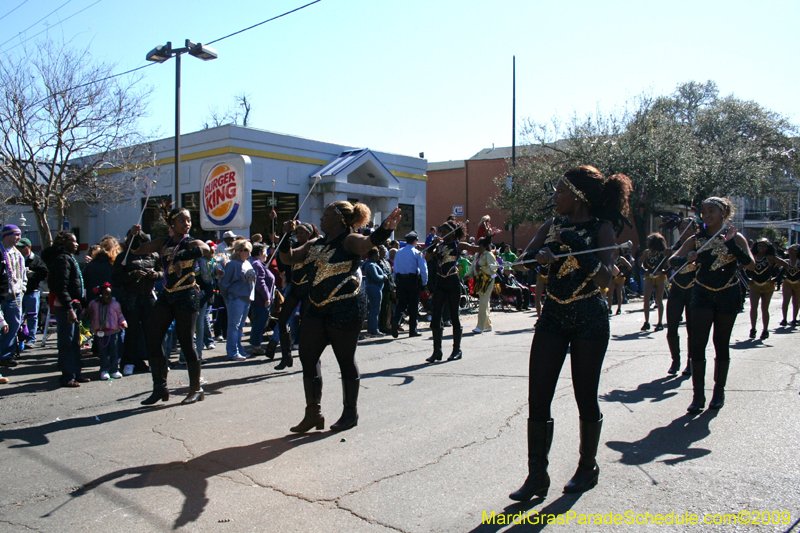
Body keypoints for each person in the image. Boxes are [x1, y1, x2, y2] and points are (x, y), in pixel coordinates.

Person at [510, 166, 631, 501]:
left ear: (578, 196)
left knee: (585, 396)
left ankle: (587, 466)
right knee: (538, 397)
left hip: (589, 319)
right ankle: (537, 476)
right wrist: (539, 257)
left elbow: (606, 279)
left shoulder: (601, 229)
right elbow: (522, 262)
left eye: (560, 191)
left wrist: (576, 246)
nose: (554, 197)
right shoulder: (551, 226)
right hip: (553, 316)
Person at [279, 201, 402, 433]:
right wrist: (286, 237)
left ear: (337, 218)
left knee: (345, 360)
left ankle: (350, 413)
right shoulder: (316, 243)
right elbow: (288, 259)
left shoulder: (349, 239)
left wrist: (385, 229)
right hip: (316, 307)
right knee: (307, 356)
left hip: (346, 308)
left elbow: (367, 243)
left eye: (325, 215)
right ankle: (313, 413)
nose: (321, 219)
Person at [670, 197, 754, 413]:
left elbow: (750, 264)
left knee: (721, 342)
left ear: (723, 213)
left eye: (712, 211)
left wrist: (732, 244)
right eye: (704, 211)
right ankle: (698, 395)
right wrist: (689, 258)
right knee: (697, 343)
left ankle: (719, 391)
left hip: (728, 293)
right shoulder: (697, 239)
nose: (707, 215)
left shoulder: (735, 237)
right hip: (701, 293)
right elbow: (673, 261)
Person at [130, 208, 210, 405]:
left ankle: (196, 389)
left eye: (189, 220)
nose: (187, 223)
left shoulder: (191, 242)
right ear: (172, 224)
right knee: (153, 335)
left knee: (186, 341)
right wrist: (134, 235)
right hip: (167, 294)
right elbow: (136, 250)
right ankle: (160, 388)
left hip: (187, 294)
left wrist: (183, 255)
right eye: (182, 220)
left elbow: (207, 250)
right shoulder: (162, 242)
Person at [425, 221, 480, 362]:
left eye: (444, 231)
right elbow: (427, 257)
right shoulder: (440, 245)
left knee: (454, 315)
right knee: (436, 314)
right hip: (440, 282)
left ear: (453, 232)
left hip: (453, 281)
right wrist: (433, 245)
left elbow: (477, 248)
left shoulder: (458, 245)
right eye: (441, 230)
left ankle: (457, 350)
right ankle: (437, 351)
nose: (442, 233)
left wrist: (487, 237)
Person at [112, 229, 162, 376]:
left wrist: (155, 274)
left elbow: (162, 272)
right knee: (131, 331)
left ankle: (154, 361)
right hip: (131, 297)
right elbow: (115, 277)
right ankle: (129, 362)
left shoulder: (153, 256)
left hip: (148, 296)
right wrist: (132, 275)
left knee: (151, 331)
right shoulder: (124, 256)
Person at [41, 231, 88, 387]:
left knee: (74, 341)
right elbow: (61, 287)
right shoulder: (62, 260)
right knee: (66, 342)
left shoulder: (69, 258)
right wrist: (69, 308)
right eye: (73, 241)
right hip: (65, 307)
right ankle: (68, 376)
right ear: (64, 243)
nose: (76, 244)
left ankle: (76, 373)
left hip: (72, 305)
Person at [274, 222, 319, 370]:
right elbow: (283, 255)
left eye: (302, 233)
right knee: (282, 320)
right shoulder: (293, 246)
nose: (299, 235)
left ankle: (311, 359)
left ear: (309, 234)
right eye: (297, 233)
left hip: (309, 289)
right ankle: (286, 356)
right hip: (294, 287)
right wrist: (285, 233)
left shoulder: (316, 245)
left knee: (306, 325)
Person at [665, 218, 696, 375]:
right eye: (681, 228)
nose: (684, 231)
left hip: (693, 290)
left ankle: (690, 362)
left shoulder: (699, 244)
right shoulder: (676, 247)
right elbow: (672, 262)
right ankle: (675, 360)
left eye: (688, 228)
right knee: (671, 328)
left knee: (692, 330)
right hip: (677, 289)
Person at [219, 239, 256, 361]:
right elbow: (224, 283)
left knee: (239, 327)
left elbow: (252, 280)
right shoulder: (232, 264)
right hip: (235, 298)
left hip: (246, 298)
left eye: (249, 250)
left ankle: (239, 349)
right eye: (245, 250)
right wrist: (226, 296)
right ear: (238, 251)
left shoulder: (248, 263)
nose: (248, 252)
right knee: (234, 326)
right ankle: (232, 352)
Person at [84, 282, 127, 380]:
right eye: (106, 294)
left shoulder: (115, 304)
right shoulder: (94, 304)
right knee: (103, 352)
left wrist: (123, 322)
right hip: (101, 332)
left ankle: (114, 369)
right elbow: (88, 314)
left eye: (110, 294)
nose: (109, 296)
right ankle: (104, 369)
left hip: (113, 332)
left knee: (114, 352)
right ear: (99, 295)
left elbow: (120, 315)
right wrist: (86, 314)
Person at [745, 238, 786, 339]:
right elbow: (740, 267)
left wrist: (777, 278)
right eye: (759, 245)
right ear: (756, 247)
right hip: (754, 285)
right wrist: (747, 279)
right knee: (753, 307)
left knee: (764, 308)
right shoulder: (752, 257)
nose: (761, 248)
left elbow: (786, 265)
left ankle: (765, 330)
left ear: (768, 248)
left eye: (764, 246)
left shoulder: (770, 258)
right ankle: (753, 328)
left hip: (768, 285)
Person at [391, 231, 427, 338]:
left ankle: (395, 321)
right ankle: (412, 330)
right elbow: (423, 269)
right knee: (413, 306)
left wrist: (395, 280)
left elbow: (395, 268)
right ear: (415, 241)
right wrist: (424, 282)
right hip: (413, 281)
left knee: (401, 304)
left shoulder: (399, 252)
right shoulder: (417, 253)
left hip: (401, 281)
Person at [0, 225, 26, 367]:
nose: (19, 238)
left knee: (14, 324)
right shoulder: (1, 252)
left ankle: (6, 355)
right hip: (1, 295)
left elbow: (22, 275)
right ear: (7, 235)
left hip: (15, 296)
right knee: (1, 325)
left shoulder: (18, 254)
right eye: (16, 235)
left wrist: (22, 288)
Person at [17, 238, 47, 348]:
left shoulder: (36, 260)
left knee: (32, 315)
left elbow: (44, 273)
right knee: (18, 316)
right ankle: (18, 338)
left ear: (28, 247)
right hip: (19, 291)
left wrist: (33, 274)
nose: (19, 249)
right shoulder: (16, 258)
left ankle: (31, 338)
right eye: (18, 247)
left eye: (21, 247)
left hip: (32, 290)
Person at [248, 242, 275, 357]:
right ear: (259, 253)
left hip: (260, 299)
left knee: (258, 322)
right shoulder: (257, 264)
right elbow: (260, 283)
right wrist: (267, 297)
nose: (266, 255)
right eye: (265, 253)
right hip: (261, 300)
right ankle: (256, 346)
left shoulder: (256, 263)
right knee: (259, 323)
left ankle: (256, 345)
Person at [639, 233, 670, 332]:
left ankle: (660, 322)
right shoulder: (646, 252)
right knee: (646, 299)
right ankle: (646, 321)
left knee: (659, 299)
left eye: (649, 240)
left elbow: (669, 264)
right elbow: (640, 263)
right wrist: (645, 271)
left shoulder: (663, 253)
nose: (647, 242)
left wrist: (664, 271)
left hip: (660, 277)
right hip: (649, 277)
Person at [472, 237, 499, 333]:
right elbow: (473, 267)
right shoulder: (477, 255)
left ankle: (480, 326)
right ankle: (488, 324)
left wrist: (483, 268)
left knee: (483, 303)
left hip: (487, 281)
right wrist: (466, 276)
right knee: (484, 303)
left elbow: (494, 269)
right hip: (479, 280)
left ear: (483, 246)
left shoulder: (489, 254)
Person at [362, 248, 386, 336]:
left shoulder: (370, 264)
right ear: (373, 255)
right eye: (377, 254)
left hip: (372, 287)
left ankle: (371, 328)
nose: (378, 256)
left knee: (372, 309)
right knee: (375, 309)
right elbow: (376, 277)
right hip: (374, 288)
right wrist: (384, 276)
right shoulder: (371, 265)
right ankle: (374, 329)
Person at [606, 248, 631, 316]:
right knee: (610, 293)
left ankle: (619, 308)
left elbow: (629, 266)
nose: (615, 251)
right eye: (614, 250)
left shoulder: (621, 259)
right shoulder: (610, 258)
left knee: (619, 292)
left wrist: (623, 274)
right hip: (612, 278)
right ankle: (609, 308)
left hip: (620, 277)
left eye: (617, 250)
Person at [780, 244, 800, 326]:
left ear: (797, 251)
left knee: (796, 302)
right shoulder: (786, 261)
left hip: (798, 283)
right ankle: (784, 318)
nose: (790, 252)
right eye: (790, 250)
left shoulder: (799, 262)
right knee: (786, 301)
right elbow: (780, 272)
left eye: (792, 250)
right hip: (787, 282)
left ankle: (794, 319)